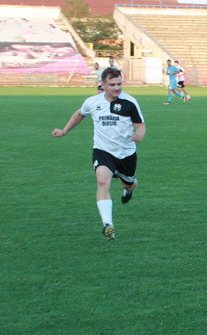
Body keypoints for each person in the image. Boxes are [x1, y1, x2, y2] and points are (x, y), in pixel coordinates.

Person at [52, 67, 146, 240]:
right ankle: (108, 225)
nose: (117, 88)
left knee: (128, 184)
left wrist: (139, 134)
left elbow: (140, 125)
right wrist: (64, 130)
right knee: (102, 181)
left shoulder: (130, 102)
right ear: (102, 84)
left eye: (119, 84)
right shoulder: (92, 102)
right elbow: (80, 114)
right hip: (103, 150)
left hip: (126, 153)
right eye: (112, 84)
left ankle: (129, 189)